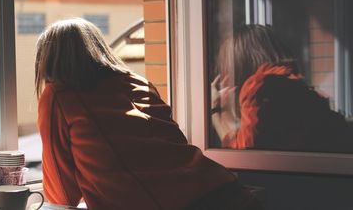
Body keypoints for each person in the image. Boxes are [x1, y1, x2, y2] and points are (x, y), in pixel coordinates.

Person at [35, 18, 262, 210]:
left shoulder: (58, 97)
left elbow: (63, 197)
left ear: (48, 61)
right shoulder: (137, 82)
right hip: (225, 191)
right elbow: (173, 145)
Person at [211, 24, 353, 152]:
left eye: (228, 66)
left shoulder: (258, 87)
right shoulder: (288, 83)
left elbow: (243, 155)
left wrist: (216, 112)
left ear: (239, 63)